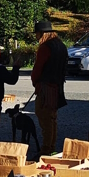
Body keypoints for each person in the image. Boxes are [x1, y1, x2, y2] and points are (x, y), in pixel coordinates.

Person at [31, 21, 67, 156]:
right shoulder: (61, 46)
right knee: (52, 119)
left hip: (45, 87)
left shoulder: (45, 47)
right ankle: (51, 146)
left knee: (44, 116)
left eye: (37, 33)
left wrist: (35, 82)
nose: (36, 36)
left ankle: (46, 149)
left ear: (41, 33)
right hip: (57, 86)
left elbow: (37, 69)